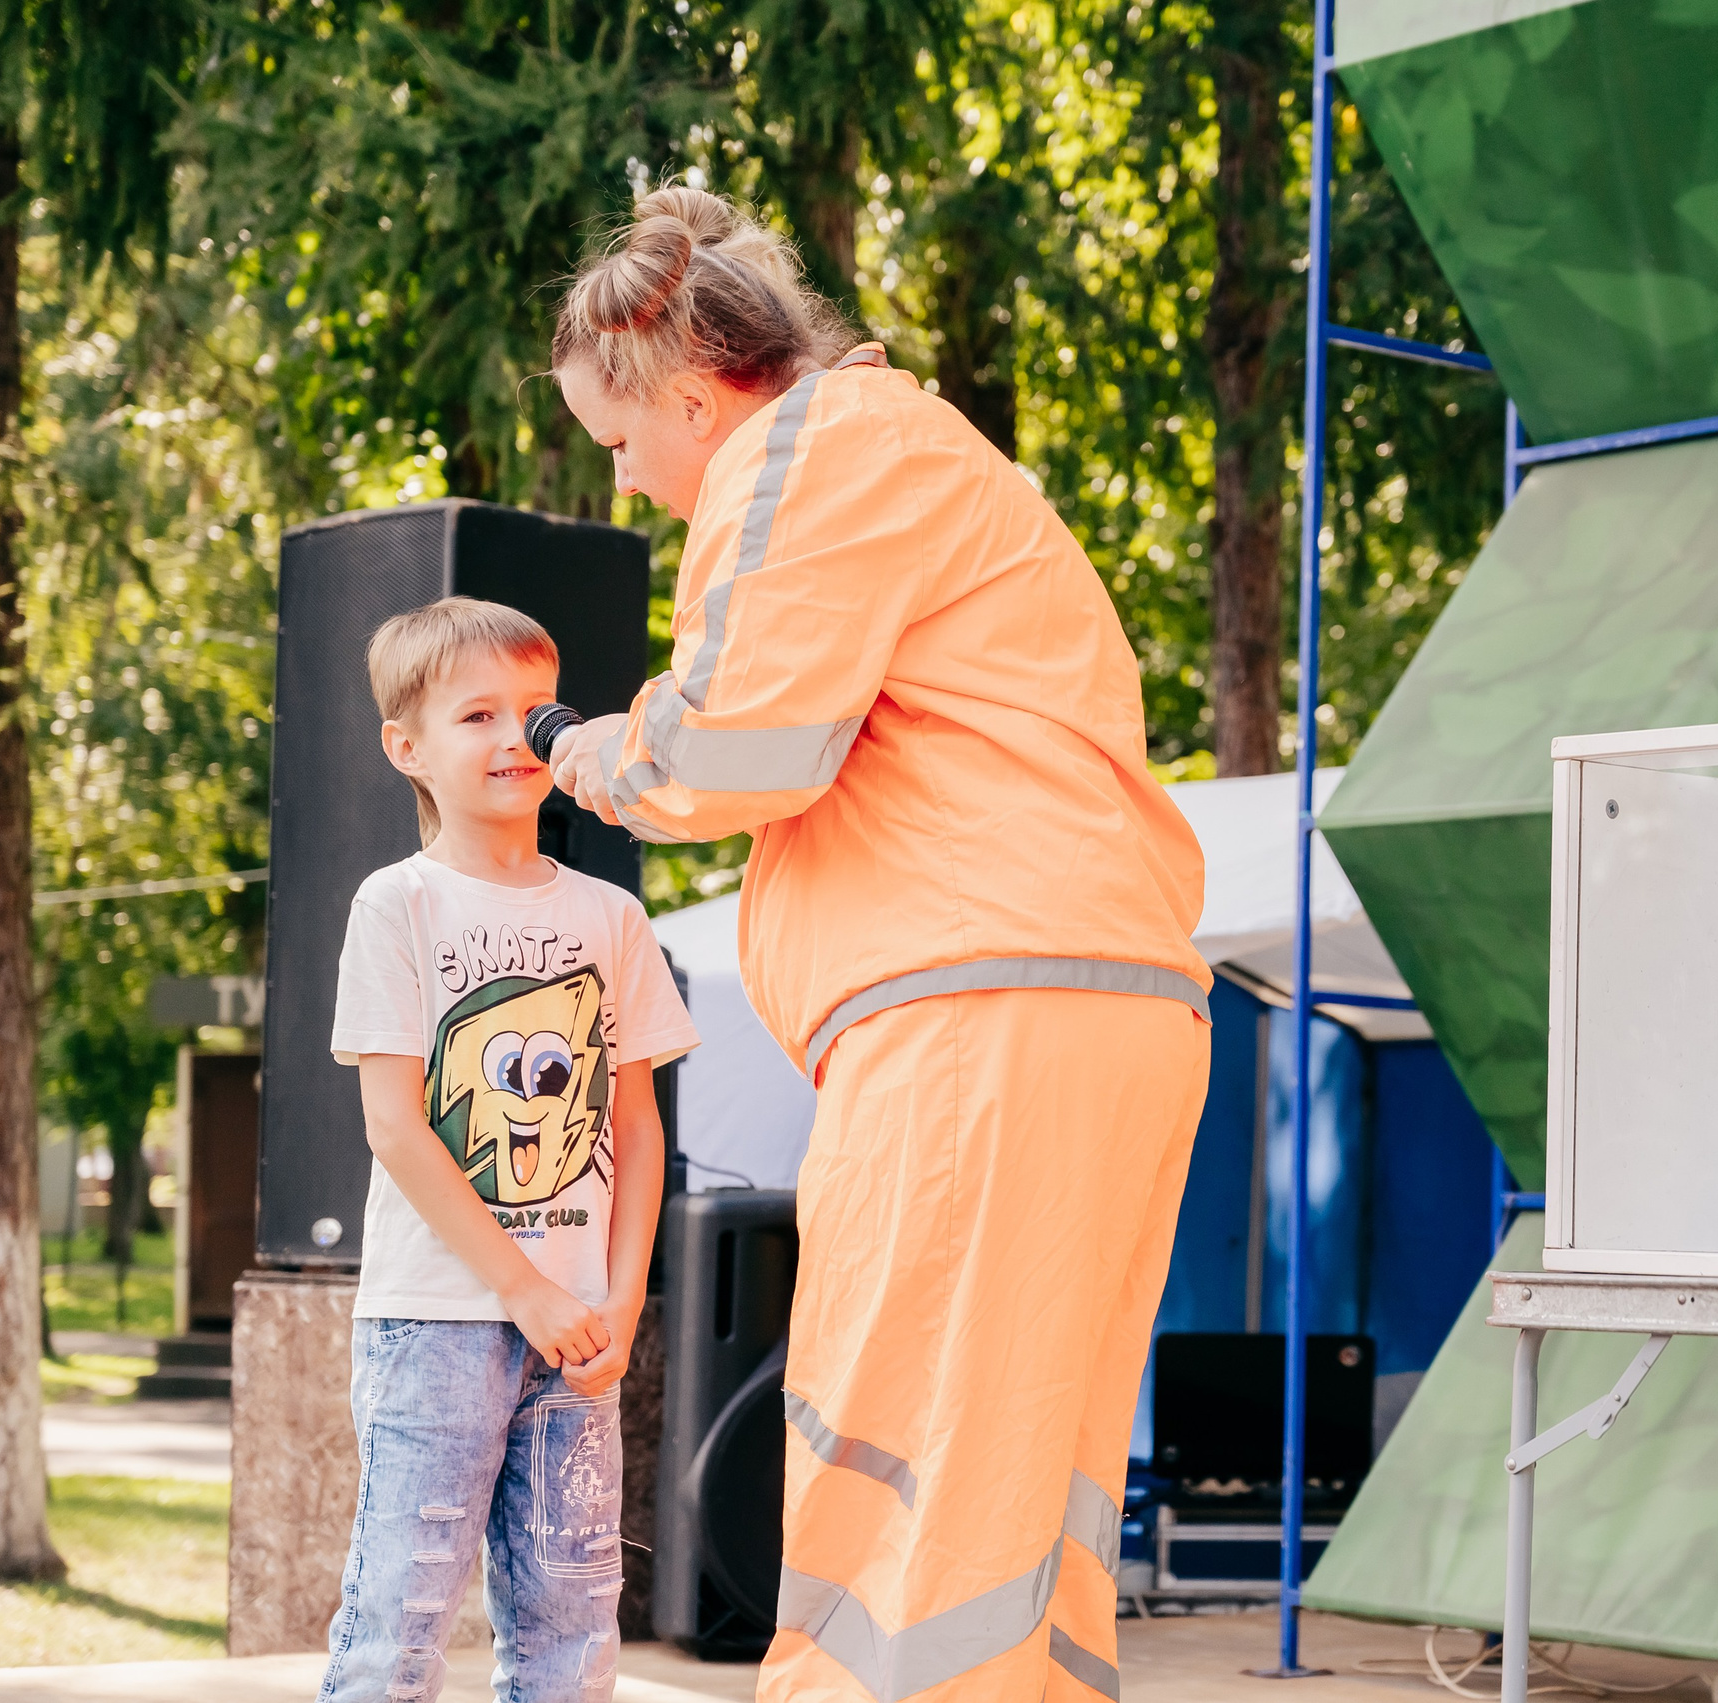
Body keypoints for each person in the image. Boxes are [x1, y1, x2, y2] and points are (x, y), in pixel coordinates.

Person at [544, 187, 1213, 1703]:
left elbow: (739, 741)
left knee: (902, 1437)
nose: (627, 479)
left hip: (975, 1004)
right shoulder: (920, 451)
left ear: (695, 398)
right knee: (1017, 1461)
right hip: (1099, 994)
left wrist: (598, 751)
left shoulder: (808, 450)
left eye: (619, 440)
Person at [321, 597, 699, 1702]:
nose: (514, 736)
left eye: (535, 709)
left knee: (571, 1632)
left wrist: (620, 1300)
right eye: (477, 713)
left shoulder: (611, 916)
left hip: (580, 1333)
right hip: (437, 1324)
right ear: (408, 748)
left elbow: (634, 1123)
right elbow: (395, 1123)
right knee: (398, 1623)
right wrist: (523, 1287)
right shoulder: (397, 902)